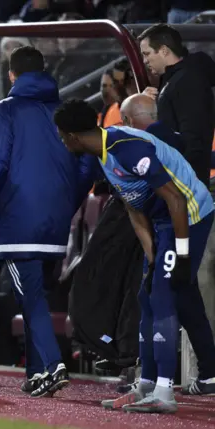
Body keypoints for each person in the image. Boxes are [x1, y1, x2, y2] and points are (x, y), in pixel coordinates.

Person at [53, 98, 214, 414]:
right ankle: (146, 385)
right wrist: (153, 258)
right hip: (161, 221)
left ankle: (164, 393)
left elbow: (178, 200)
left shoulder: (126, 148)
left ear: (70, 136)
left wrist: (180, 255)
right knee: (146, 295)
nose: (61, 141)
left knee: (163, 296)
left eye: (60, 135)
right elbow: (133, 209)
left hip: (189, 215)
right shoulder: (104, 154)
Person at [0, 46, 81, 397]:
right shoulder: (64, 112)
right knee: (37, 294)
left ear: (12, 75)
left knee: (29, 296)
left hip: (18, 222)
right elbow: (86, 165)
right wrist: (67, 202)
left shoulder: (4, 111)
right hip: (57, 220)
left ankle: (53, 363)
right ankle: (36, 372)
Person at [120, 94, 215, 396]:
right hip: (184, 218)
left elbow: (171, 197)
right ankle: (210, 373)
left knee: (158, 293)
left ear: (128, 120)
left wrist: (178, 251)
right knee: (183, 294)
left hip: (182, 219)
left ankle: (157, 383)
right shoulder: (171, 137)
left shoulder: (138, 146)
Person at [138, 23, 215, 186]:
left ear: (164, 50)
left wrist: (182, 180)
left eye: (147, 54)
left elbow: (194, 138)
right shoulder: (172, 80)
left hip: (184, 183)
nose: (145, 61)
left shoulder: (188, 80)